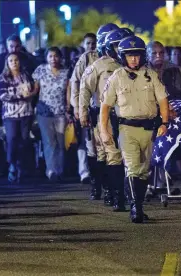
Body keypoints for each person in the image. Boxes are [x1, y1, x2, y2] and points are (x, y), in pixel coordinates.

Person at [100, 36, 169, 223]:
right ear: (123, 57)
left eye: (137, 55)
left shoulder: (151, 75)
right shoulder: (116, 77)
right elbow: (105, 106)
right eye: (130, 56)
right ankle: (135, 208)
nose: (134, 59)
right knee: (132, 168)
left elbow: (163, 99)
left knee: (145, 170)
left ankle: (138, 203)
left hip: (149, 129)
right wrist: (104, 131)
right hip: (127, 128)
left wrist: (164, 123)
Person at [79, 28, 133, 210]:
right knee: (111, 155)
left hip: (130, 116)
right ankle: (114, 194)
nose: (121, 48)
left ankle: (127, 194)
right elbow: (84, 88)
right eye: (117, 45)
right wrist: (83, 111)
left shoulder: (134, 64)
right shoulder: (99, 65)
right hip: (106, 116)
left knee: (132, 158)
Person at [70, 23, 119, 185]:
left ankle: (114, 186)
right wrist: (78, 108)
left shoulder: (120, 58)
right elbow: (77, 83)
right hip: (95, 109)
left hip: (117, 110)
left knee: (115, 150)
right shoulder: (88, 58)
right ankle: (97, 184)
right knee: (94, 149)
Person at [32, 47, 70, 181]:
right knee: (49, 142)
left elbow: (68, 92)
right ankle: (51, 171)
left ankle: (60, 170)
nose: (53, 59)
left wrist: (69, 108)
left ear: (60, 57)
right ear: (46, 58)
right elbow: (35, 90)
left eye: (56, 56)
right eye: (50, 56)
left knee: (60, 142)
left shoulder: (66, 72)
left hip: (60, 112)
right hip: (44, 112)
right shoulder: (40, 70)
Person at [0, 52, 36, 182]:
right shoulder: (3, 78)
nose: (14, 62)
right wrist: (21, 96)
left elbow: (31, 91)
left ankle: (21, 167)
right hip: (11, 115)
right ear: (7, 64)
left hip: (26, 113)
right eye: (11, 61)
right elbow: (3, 96)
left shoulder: (25, 75)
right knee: (12, 139)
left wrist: (31, 93)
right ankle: (12, 165)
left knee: (24, 141)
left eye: (16, 60)